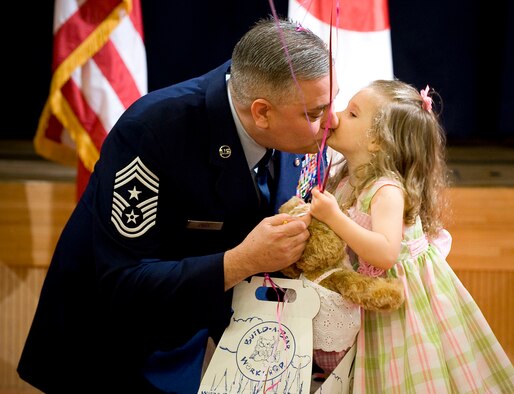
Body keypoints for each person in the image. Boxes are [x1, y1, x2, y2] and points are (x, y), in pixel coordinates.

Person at [17, 17, 339, 393]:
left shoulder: (294, 124)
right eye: (315, 113)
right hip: (108, 348)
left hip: (202, 340)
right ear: (261, 112)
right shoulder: (153, 131)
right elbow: (123, 280)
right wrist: (244, 260)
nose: (330, 122)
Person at [309, 79, 514, 392]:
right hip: (371, 301)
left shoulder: (386, 190)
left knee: (402, 375)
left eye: (352, 114)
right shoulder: (348, 180)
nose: (335, 116)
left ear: (377, 141)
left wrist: (334, 218)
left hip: (402, 309)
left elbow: (385, 252)